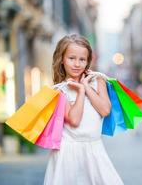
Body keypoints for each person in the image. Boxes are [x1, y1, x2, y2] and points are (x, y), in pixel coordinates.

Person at [43, 34, 124, 185]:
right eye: (71, 58)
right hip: (68, 151)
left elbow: (105, 110)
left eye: (82, 59)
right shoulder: (59, 90)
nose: (77, 64)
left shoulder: (98, 80)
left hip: (94, 149)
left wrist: (86, 86)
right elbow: (74, 120)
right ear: (62, 59)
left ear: (87, 61)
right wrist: (80, 92)